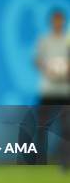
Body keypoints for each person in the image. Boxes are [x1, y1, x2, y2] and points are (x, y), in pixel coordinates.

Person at [33, 9, 69, 166]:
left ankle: (65, 158)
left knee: (67, 127)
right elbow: (36, 60)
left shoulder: (68, 40)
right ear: (51, 22)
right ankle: (39, 158)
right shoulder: (43, 40)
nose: (57, 23)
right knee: (42, 125)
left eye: (60, 20)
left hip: (65, 90)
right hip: (47, 89)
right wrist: (48, 69)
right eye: (55, 20)